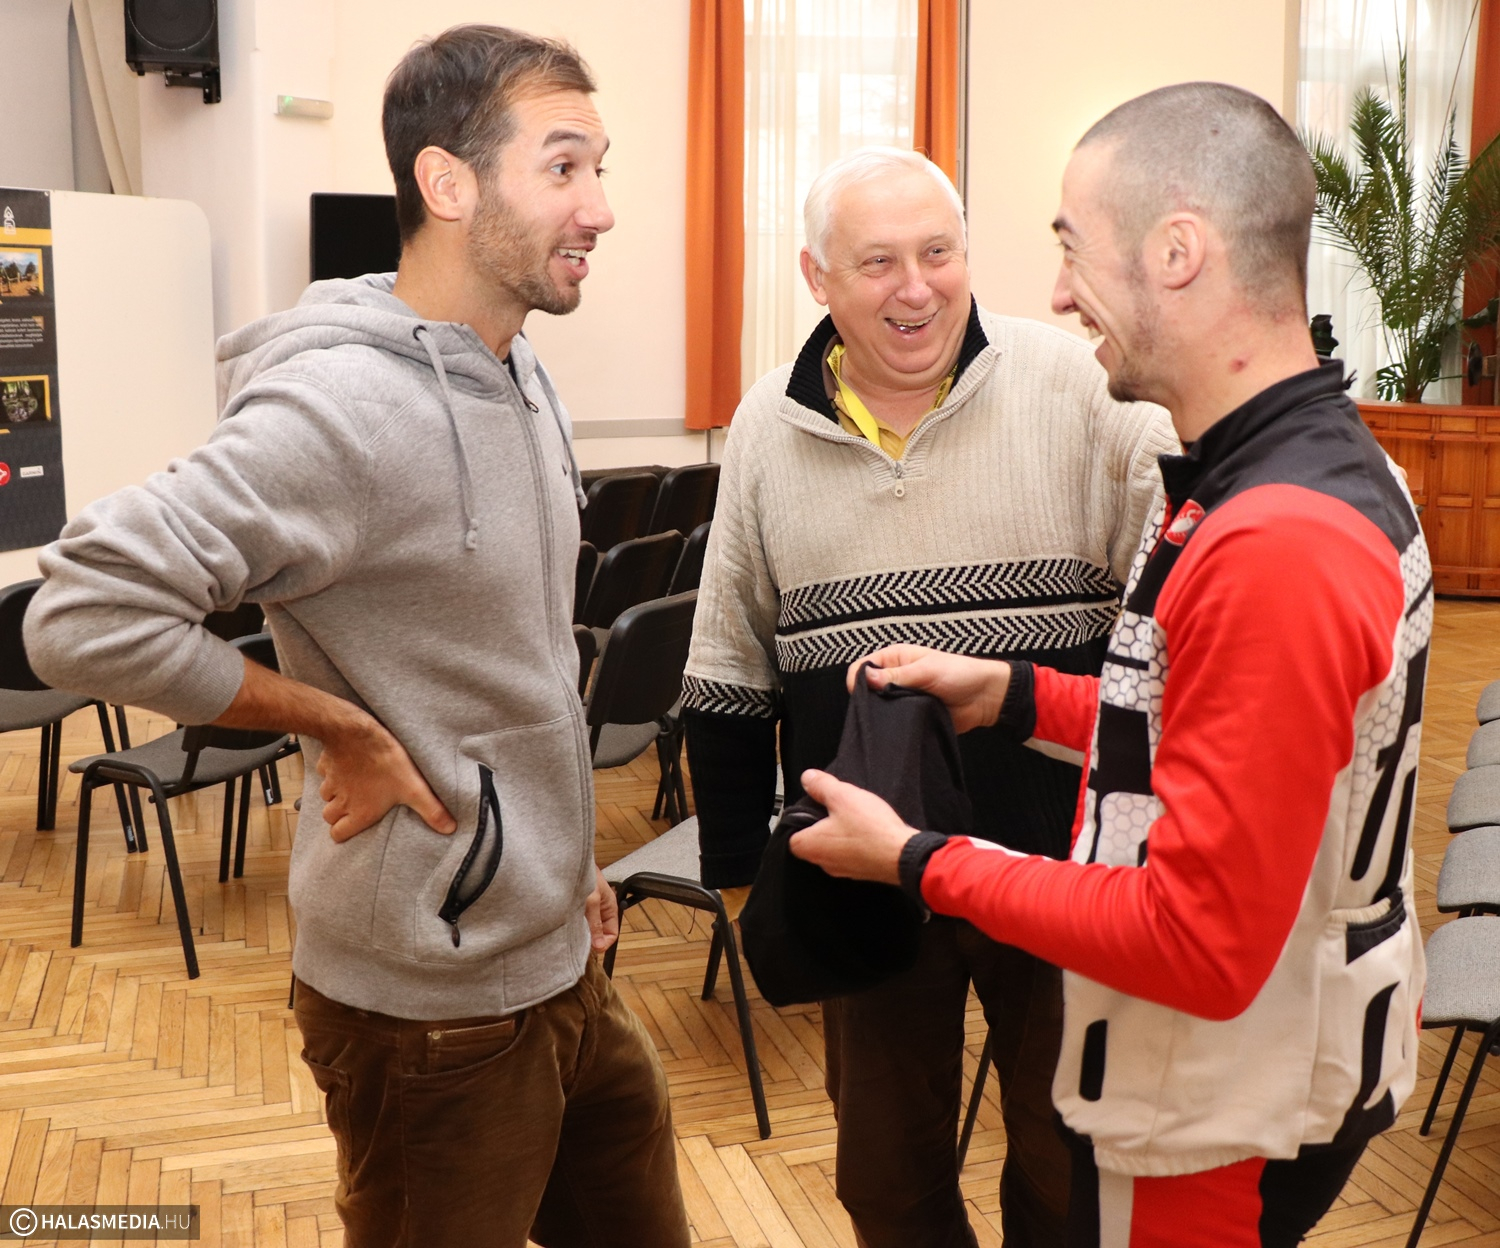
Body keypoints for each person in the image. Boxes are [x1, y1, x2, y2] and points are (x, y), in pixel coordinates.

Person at [24, 25, 690, 1248]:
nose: (601, 205)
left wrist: (567, 868)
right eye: (564, 168)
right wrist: (333, 723)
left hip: (557, 953)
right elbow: (81, 612)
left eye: (600, 167)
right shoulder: (341, 408)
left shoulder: (518, 369)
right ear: (449, 184)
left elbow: (516, 673)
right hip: (429, 1012)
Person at [788, 83, 1431, 1248]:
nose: (1056, 291)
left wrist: (920, 859)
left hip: (1218, 1114)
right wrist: (1014, 695)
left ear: (1177, 252)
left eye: (1073, 247)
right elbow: (1214, 730)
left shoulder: (1276, 539)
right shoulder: (1291, 469)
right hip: (1244, 1073)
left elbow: (1197, 941)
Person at [682, 146, 1175, 1247]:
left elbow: (1191, 572)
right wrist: (743, 880)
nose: (916, 288)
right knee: (886, 1180)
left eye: (938, 253)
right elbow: (727, 661)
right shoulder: (766, 426)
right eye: (878, 263)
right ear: (818, 278)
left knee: (1068, 1169)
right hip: (866, 883)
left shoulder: (1080, 391)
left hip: (1063, 872)